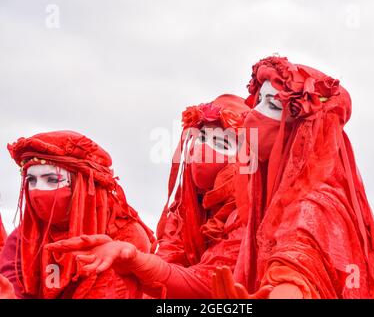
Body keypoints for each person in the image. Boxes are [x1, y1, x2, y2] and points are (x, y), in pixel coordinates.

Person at [212, 55, 374, 299]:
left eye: (272, 105)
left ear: (303, 127)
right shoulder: (271, 196)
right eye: (258, 100)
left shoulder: (315, 202)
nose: (252, 114)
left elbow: (298, 262)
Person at [46, 95, 251, 298]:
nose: (203, 150)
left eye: (223, 145)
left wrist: (138, 262)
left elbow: (213, 284)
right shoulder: (184, 212)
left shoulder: (250, 213)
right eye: (201, 139)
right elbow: (165, 276)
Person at [0, 131, 154, 299]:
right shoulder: (25, 235)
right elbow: (12, 284)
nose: (37, 191)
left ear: (85, 185)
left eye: (52, 180)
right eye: (31, 180)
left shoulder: (124, 235)